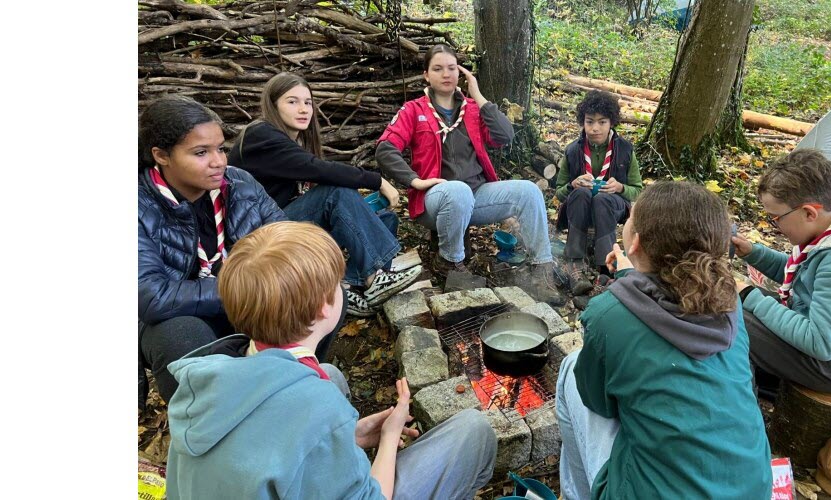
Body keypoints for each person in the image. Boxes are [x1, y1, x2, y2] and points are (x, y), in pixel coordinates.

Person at [165, 221, 497, 500]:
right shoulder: (318, 405)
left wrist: (347, 434)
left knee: (329, 373)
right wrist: (389, 437)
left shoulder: (208, 375)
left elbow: (265, 444)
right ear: (326, 306)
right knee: (474, 431)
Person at [556, 181, 772, 499]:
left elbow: (596, 400)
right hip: (752, 488)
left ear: (634, 243)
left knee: (571, 369)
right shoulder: (729, 300)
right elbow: (670, 292)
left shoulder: (607, 315)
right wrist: (632, 277)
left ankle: (577, 494)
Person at [375, 44, 561, 304]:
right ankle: (450, 263)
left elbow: (504, 136)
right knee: (457, 191)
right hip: (434, 200)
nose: (446, 74)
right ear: (426, 75)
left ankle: (541, 270)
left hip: (476, 196)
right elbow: (385, 148)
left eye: (451, 68)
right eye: (437, 69)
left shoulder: (472, 109)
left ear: (460, 72)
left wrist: (479, 95)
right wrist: (414, 181)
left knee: (529, 191)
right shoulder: (413, 110)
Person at [230, 72, 421, 318]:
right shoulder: (260, 135)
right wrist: (377, 180)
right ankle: (374, 279)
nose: (303, 109)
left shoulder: (290, 141)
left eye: (308, 102)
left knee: (383, 219)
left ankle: (346, 287)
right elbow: (318, 170)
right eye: (292, 101)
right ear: (273, 104)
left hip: (282, 224)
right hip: (258, 236)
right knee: (335, 192)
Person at [138, 95, 287, 408]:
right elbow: (153, 297)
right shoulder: (138, 204)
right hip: (177, 318)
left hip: (246, 301)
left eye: (220, 148)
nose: (218, 160)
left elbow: (287, 243)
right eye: (201, 152)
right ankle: (209, 429)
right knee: (183, 333)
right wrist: (244, 288)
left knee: (323, 299)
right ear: (161, 155)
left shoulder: (240, 184)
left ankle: (286, 399)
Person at [731, 148, 831, 398]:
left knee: (734, 315)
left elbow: (822, 343)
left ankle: (751, 392)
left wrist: (749, 296)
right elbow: (802, 276)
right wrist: (753, 253)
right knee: (740, 300)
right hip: (827, 339)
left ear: (809, 213)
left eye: (775, 218)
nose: (775, 226)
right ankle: (767, 375)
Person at [554, 90, 644, 297]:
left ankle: (605, 269)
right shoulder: (572, 150)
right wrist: (572, 185)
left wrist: (620, 187)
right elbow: (559, 193)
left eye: (602, 122)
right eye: (589, 122)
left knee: (603, 199)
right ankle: (574, 264)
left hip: (613, 205)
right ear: (582, 122)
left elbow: (637, 190)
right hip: (579, 206)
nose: (595, 128)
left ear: (611, 122)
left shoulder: (625, 150)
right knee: (580, 194)